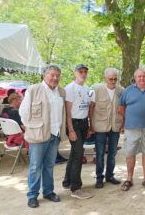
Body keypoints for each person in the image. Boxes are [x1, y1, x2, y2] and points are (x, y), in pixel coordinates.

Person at [19, 65, 67, 208]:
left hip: (55, 134)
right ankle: (32, 195)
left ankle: (48, 191)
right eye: (52, 75)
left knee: (49, 165)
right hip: (39, 134)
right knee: (35, 166)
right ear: (44, 75)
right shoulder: (33, 90)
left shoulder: (61, 91)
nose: (55, 78)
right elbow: (23, 112)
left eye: (57, 75)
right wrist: (31, 127)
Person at [119, 69, 145, 191]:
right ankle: (129, 179)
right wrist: (129, 118)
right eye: (139, 76)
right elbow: (121, 108)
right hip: (131, 128)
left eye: (144, 76)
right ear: (135, 78)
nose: (141, 78)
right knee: (130, 153)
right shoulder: (128, 90)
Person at [89, 68, 124, 189]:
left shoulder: (121, 91)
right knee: (99, 153)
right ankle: (99, 178)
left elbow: (124, 108)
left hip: (115, 126)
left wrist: (123, 124)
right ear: (105, 79)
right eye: (110, 79)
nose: (113, 81)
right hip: (100, 126)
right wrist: (91, 125)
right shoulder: (97, 90)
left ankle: (110, 176)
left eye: (115, 79)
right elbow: (91, 107)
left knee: (113, 153)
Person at [62, 64, 92, 199]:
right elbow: (67, 113)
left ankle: (67, 181)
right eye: (80, 71)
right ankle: (76, 188)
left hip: (84, 124)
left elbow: (88, 108)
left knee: (75, 153)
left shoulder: (87, 88)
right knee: (79, 155)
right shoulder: (70, 88)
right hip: (73, 123)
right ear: (75, 73)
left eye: (85, 71)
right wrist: (71, 130)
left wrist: (90, 126)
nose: (83, 73)